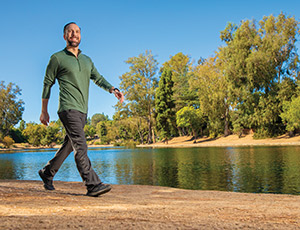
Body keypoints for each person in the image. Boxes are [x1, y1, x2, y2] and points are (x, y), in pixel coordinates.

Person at [38, 22, 124, 197]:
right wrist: (44, 110)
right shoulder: (57, 58)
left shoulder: (87, 60)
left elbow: (98, 78)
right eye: (70, 32)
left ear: (80, 35)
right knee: (81, 146)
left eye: (77, 32)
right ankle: (92, 184)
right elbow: (47, 84)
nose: (74, 34)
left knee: (69, 145)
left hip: (83, 110)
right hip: (67, 109)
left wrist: (112, 89)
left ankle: (47, 173)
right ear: (64, 36)